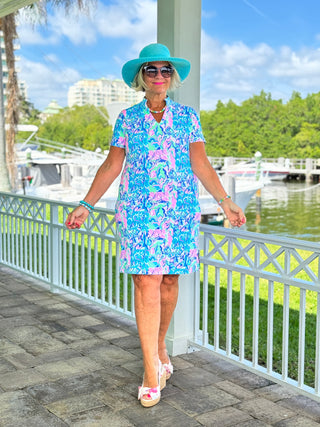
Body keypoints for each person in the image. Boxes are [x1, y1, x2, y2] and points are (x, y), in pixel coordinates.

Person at [65, 43, 246, 408]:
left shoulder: (188, 117)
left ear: (172, 78)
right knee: (146, 281)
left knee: (168, 282)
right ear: (141, 78)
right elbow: (111, 166)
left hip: (179, 211)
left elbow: (201, 163)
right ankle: (151, 371)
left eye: (166, 71)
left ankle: (160, 345)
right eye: (152, 70)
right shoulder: (127, 119)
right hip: (140, 212)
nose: (159, 77)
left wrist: (226, 202)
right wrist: (86, 204)